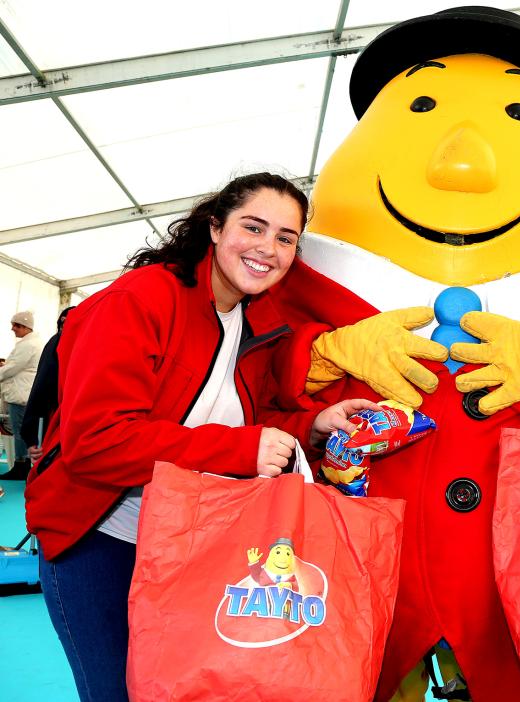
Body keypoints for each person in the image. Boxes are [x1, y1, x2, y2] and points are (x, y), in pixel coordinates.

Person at [24, 172, 375, 702]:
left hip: (197, 544)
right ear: (214, 226)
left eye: (285, 237)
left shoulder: (257, 318)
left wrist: (312, 425)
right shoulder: (139, 301)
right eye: (253, 227)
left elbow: (249, 422)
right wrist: (238, 452)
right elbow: (97, 441)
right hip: (101, 541)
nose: (267, 248)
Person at [21, 305, 75, 460]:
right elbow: (42, 386)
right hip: (58, 423)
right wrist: (31, 434)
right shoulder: (58, 342)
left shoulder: (59, 342)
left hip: (63, 425)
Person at [0, 310, 44, 476]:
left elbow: (12, 368)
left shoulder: (28, 345)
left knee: (20, 431)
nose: (13, 328)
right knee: (23, 431)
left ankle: (21, 465)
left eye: (16, 325)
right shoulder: (32, 343)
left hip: (20, 395)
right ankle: (23, 464)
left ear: (26, 327)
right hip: (23, 393)